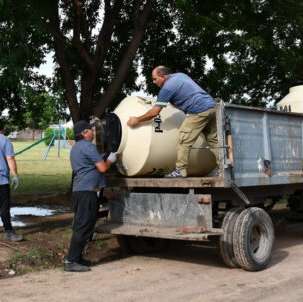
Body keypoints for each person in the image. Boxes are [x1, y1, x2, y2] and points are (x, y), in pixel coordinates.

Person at [127, 65, 219, 178]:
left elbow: (154, 113)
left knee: (183, 139)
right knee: (213, 140)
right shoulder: (180, 76)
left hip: (198, 110)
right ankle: (224, 169)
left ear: (163, 77)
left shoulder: (166, 89)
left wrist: (137, 120)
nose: (154, 82)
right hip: (211, 107)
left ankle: (180, 170)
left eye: (155, 79)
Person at [64, 120, 117, 272]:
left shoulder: (76, 148)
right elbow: (102, 168)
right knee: (83, 227)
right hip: (87, 192)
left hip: (80, 191)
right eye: (90, 130)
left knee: (84, 226)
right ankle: (71, 261)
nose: (93, 132)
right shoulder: (88, 146)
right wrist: (110, 159)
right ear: (84, 133)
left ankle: (77, 258)